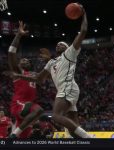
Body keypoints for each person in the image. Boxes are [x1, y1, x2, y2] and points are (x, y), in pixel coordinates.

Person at [13, 6, 92, 138]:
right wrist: (19, 76)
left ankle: (90, 138)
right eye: (57, 44)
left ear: (67, 48)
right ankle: (85, 141)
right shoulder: (51, 62)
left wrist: (83, 14)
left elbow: (83, 30)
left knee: (56, 116)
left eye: (62, 44)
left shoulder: (70, 53)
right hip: (65, 89)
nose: (58, 45)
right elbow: (38, 79)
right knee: (73, 127)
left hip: (68, 87)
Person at [8, 21, 44, 138]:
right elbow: (11, 53)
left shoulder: (33, 74)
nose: (25, 61)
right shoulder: (18, 72)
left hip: (29, 106)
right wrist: (18, 35)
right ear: (19, 64)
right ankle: (14, 134)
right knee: (35, 109)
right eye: (22, 60)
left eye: (27, 61)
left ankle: (14, 134)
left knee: (24, 138)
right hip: (19, 103)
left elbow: (42, 79)